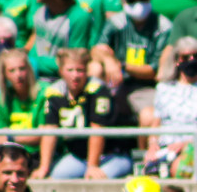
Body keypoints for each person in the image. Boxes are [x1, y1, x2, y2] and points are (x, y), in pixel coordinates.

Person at [37, 48, 134, 179]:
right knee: (57, 176)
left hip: (110, 155)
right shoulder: (55, 92)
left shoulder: (97, 90)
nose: (75, 75)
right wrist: (44, 168)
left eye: (80, 70)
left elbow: (97, 130)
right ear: (61, 71)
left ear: (86, 71)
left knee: (99, 178)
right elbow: (50, 132)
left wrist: (93, 166)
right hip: (78, 156)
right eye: (70, 70)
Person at [144, 37, 197, 176]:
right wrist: (152, 145)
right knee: (149, 167)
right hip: (165, 146)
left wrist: (187, 143)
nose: (191, 60)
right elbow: (157, 122)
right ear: (177, 60)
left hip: (195, 147)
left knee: (179, 167)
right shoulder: (164, 88)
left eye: (196, 56)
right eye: (185, 57)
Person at [92, 0, 172, 124]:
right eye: (132, 0)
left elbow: (154, 71)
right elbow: (96, 50)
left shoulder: (163, 26)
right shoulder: (116, 22)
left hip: (146, 87)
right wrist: (109, 61)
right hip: (117, 82)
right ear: (123, 1)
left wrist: (122, 66)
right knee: (95, 68)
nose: (138, 4)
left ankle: (142, 145)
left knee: (149, 116)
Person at [0, 49, 48, 158]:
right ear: (4, 74)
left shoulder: (43, 93)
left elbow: (43, 135)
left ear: (29, 70)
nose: (18, 75)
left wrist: (11, 137)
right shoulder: (2, 99)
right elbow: (2, 132)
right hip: (12, 153)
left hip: (38, 154)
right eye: (12, 71)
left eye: (22, 69)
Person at [30, 0, 98, 79]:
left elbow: (75, 61)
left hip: (59, 79)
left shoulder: (79, 17)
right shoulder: (39, 11)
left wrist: (34, 62)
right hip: (35, 72)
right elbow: (36, 44)